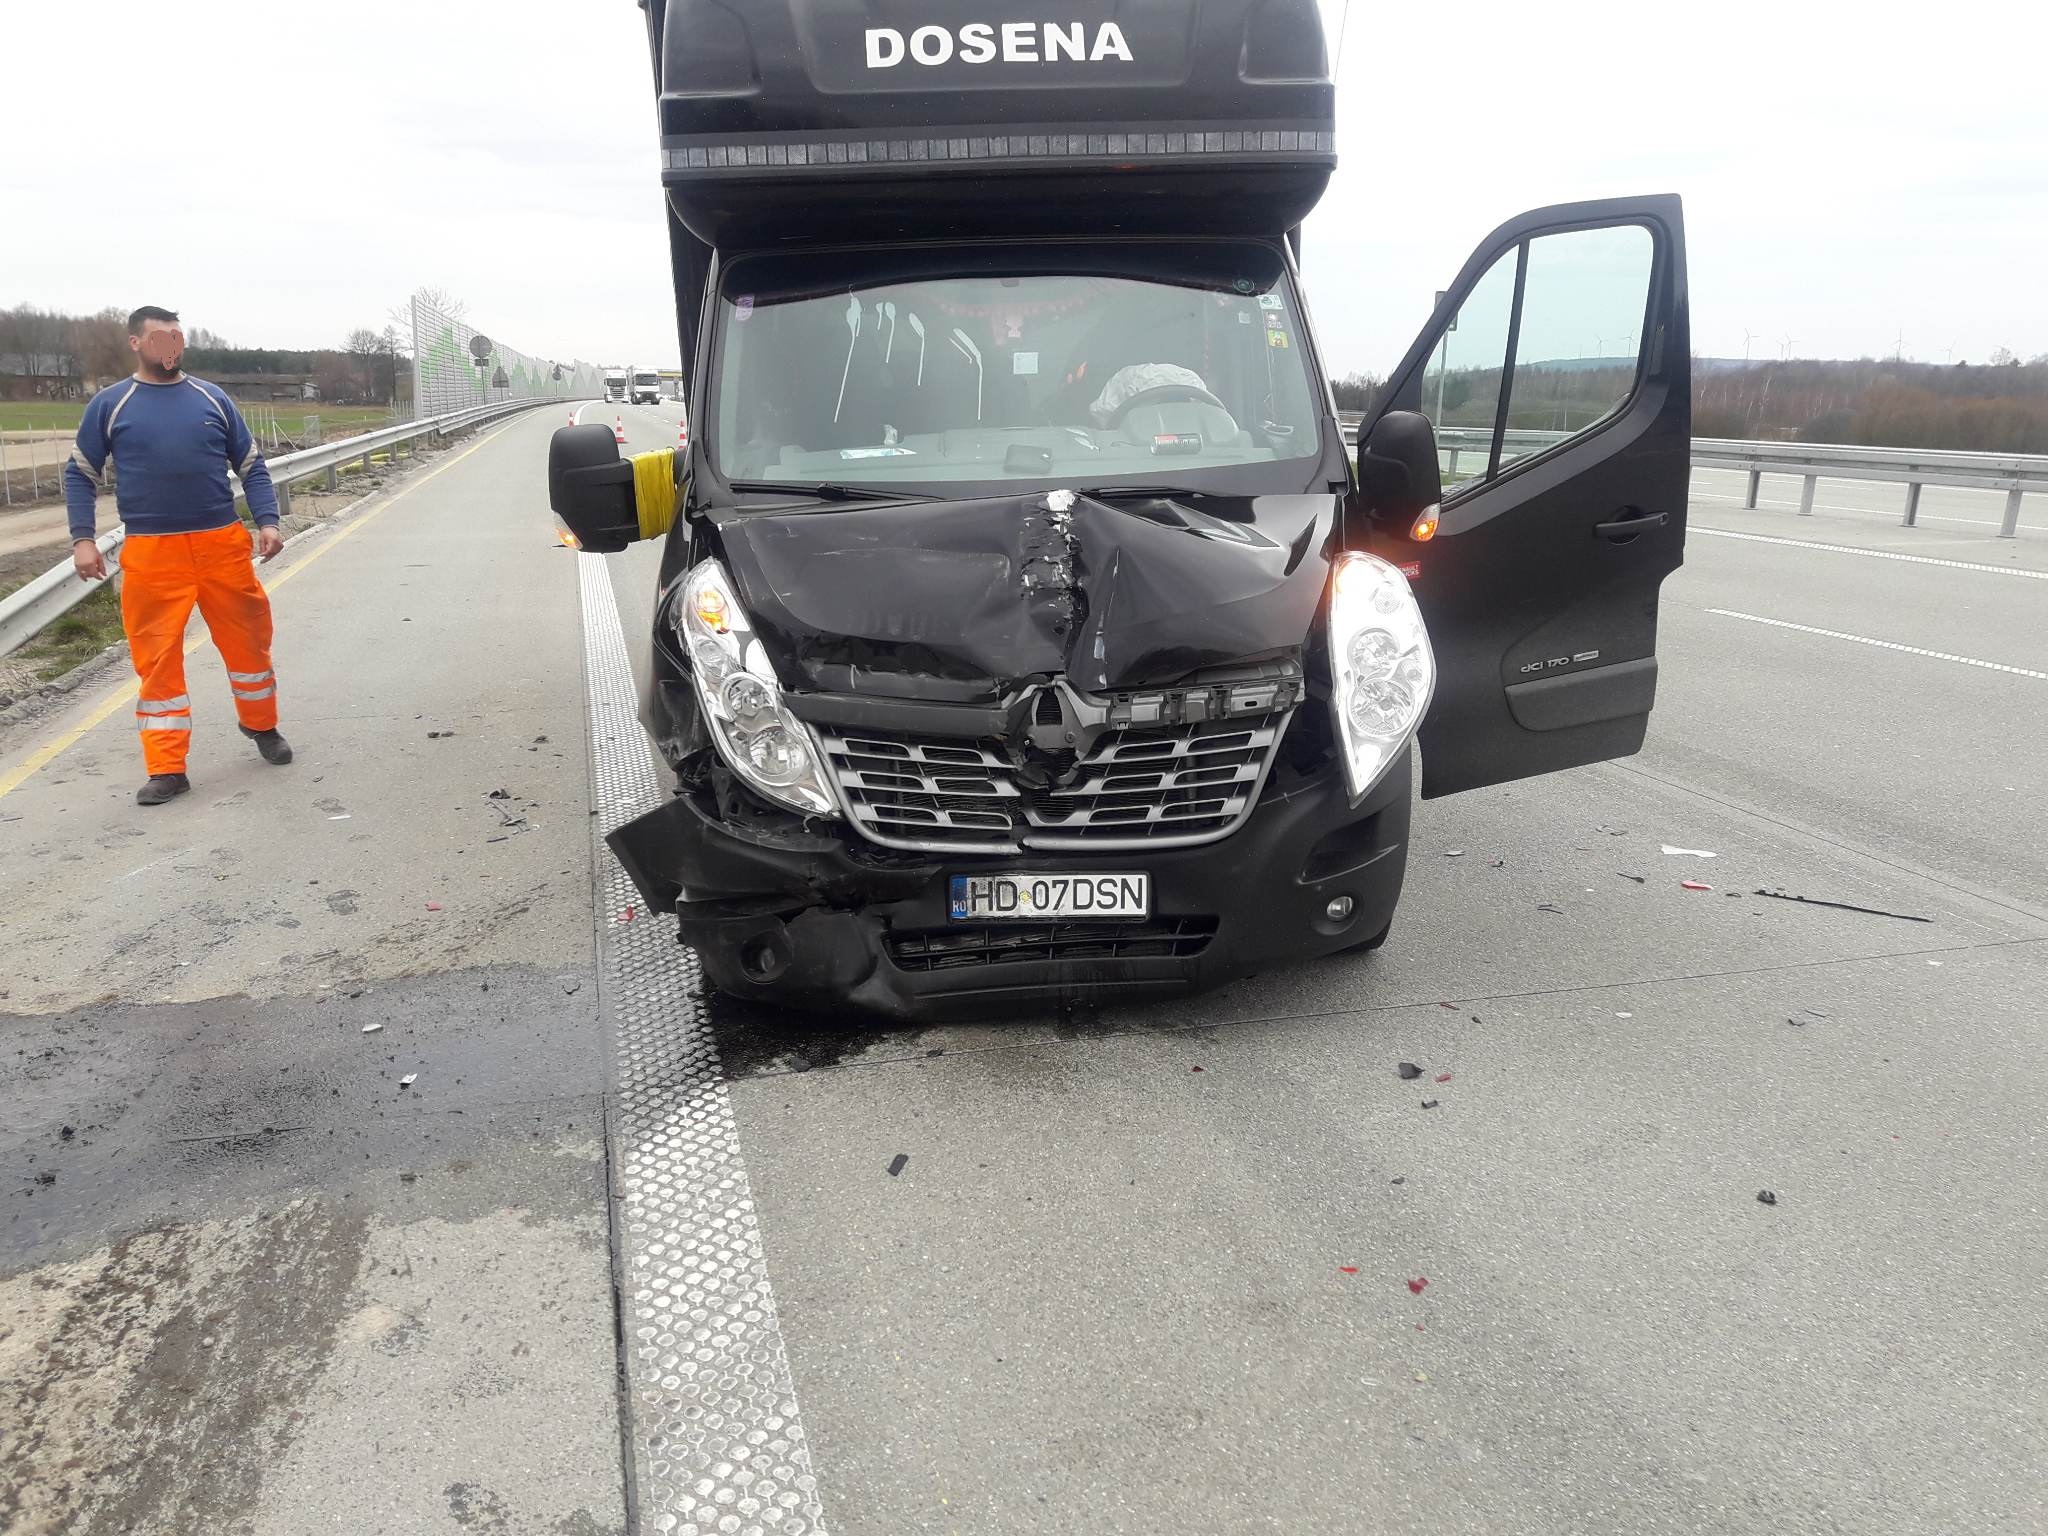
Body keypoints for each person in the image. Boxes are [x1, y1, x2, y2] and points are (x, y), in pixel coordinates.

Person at [63, 306, 294, 806]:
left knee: (249, 644)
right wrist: (82, 539)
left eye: (176, 337)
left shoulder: (212, 398)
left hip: (221, 545)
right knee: (157, 659)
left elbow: (252, 465)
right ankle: (167, 768)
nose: (171, 346)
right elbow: (80, 474)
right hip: (152, 553)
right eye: (160, 337)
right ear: (136, 343)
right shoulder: (111, 404)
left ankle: (262, 726)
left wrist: (268, 521)